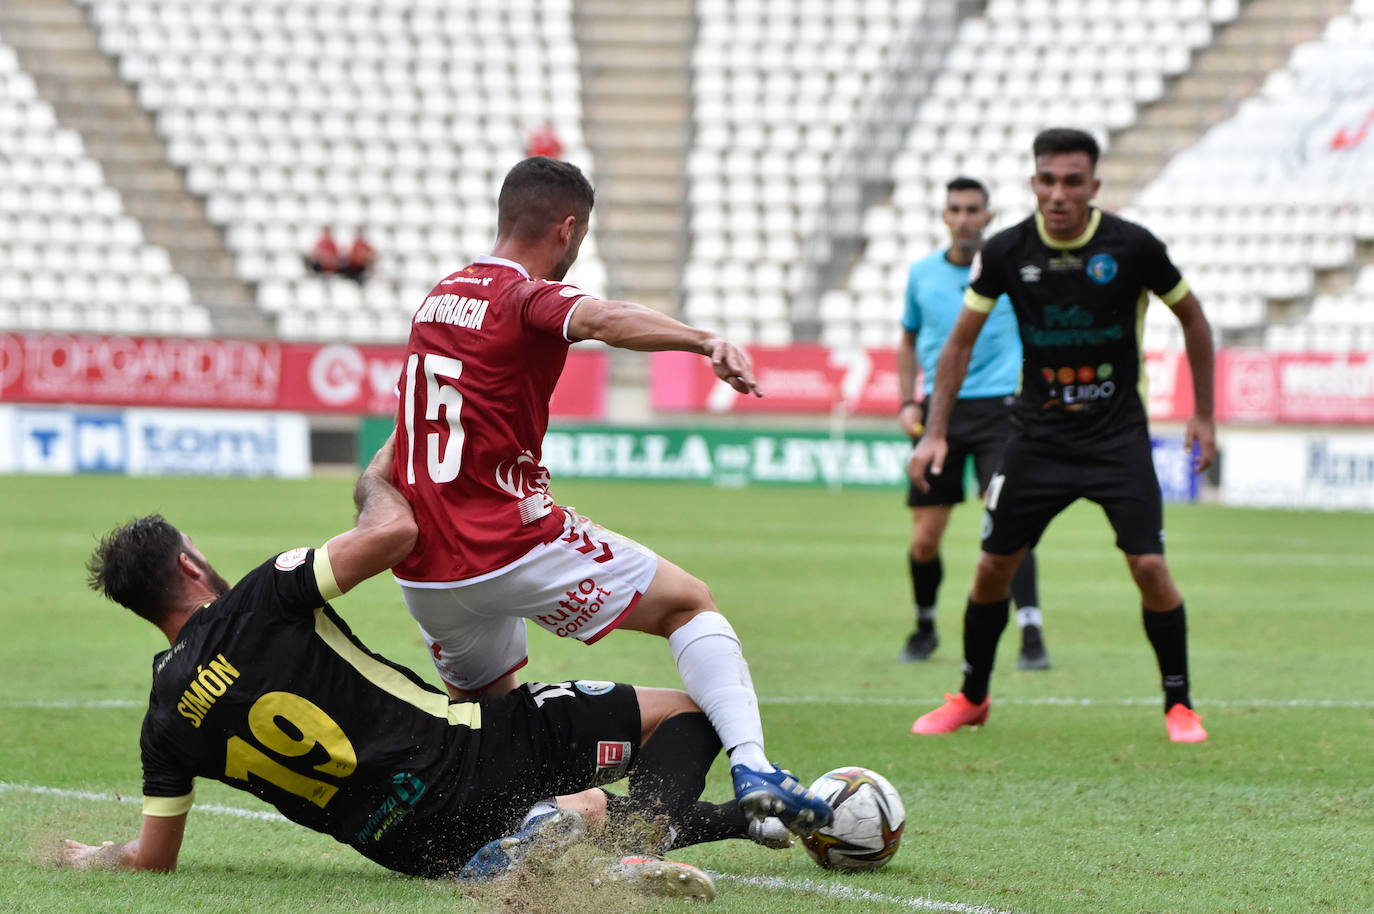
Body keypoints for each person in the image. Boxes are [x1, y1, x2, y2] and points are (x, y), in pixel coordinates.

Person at [60, 440, 782, 900]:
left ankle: (662, 829)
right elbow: (396, 533)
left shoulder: (164, 726)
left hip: (412, 849)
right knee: (690, 712)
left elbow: (151, 861)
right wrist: (374, 476)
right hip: (467, 753)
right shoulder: (259, 598)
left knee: (568, 808)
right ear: (190, 563)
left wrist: (97, 856)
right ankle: (602, 844)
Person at [389, 156, 833, 835]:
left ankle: (532, 826)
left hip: (427, 575)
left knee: (502, 725)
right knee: (688, 603)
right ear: (567, 229)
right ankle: (754, 767)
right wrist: (703, 340)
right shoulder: (523, 295)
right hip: (508, 544)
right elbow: (604, 317)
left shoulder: (438, 298)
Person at [906, 128, 1215, 743]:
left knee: (1150, 565)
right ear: (1033, 184)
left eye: (1073, 181)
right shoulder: (1005, 252)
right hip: (1036, 439)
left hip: (1116, 438)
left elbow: (1194, 319)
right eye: (1047, 180)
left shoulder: (1132, 247)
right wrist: (934, 431)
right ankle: (971, 697)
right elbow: (959, 342)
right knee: (993, 567)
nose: (1059, 193)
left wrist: (1204, 414)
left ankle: (1179, 705)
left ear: (1093, 186)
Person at [898, 176, 1049, 670]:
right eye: (956, 209)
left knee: (1010, 519)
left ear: (987, 216)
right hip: (939, 410)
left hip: (1001, 411)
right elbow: (908, 339)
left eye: (973, 210)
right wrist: (907, 400)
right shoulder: (922, 274)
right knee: (925, 539)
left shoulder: (1009, 270)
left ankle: (1031, 631)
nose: (964, 218)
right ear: (946, 217)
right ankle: (924, 625)